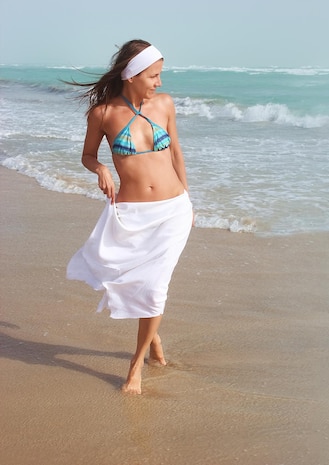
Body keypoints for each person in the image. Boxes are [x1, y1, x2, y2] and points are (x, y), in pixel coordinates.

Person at [66, 39, 193, 395]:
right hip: (133, 214)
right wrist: (100, 168)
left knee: (155, 287)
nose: (159, 82)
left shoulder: (165, 105)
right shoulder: (103, 114)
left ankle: (135, 367)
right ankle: (153, 341)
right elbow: (87, 155)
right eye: (153, 75)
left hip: (173, 212)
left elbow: (177, 153)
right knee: (141, 284)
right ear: (133, 74)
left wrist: (188, 199)